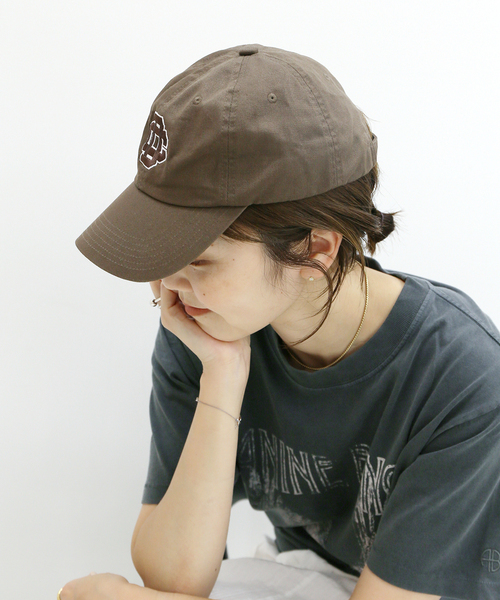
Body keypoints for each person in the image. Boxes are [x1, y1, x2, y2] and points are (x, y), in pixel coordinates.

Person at [59, 44, 500, 600]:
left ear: (316, 249)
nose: (167, 285)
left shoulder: (464, 377)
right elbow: (174, 580)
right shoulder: (209, 326)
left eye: (198, 259)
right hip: (308, 577)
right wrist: (223, 373)